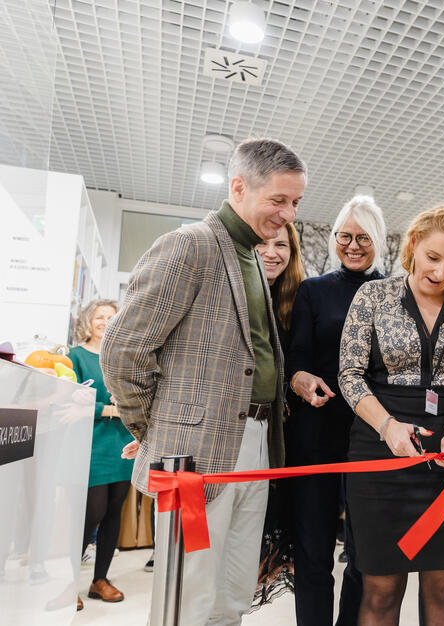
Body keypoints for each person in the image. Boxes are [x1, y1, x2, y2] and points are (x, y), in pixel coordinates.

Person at [102, 138, 304, 624]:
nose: (289, 215)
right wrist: (153, 429)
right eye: (278, 200)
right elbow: (123, 348)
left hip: (256, 443)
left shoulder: (254, 257)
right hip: (195, 455)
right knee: (187, 597)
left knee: (233, 592)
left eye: (295, 203)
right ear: (238, 186)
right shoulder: (190, 244)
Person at [338, 204, 444, 626]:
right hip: (379, 448)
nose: (441, 271)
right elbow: (349, 375)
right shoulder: (373, 296)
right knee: (382, 589)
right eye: (433, 257)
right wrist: (388, 427)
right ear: (413, 246)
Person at [287, 196, 387, 626]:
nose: (353, 245)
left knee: (365, 554)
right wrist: (301, 380)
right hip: (316, 434)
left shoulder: (394, 293)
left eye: (363, 237)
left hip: (371, 436)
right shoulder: (313, 290)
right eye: (344, 236)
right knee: (313, 551)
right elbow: (295, 361)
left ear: (378, 240)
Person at [69, 299, 134, 609]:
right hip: (91, 445)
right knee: (92, 512)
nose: (105, 321)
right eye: (100, 316)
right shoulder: (75, 356)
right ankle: (67, 584)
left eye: (112, 317)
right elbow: (67, 400)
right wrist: (108, 409)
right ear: (89, 321)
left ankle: (100, 580)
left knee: (113, 512)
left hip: (123, 444)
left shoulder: (124, 358)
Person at [253, 221, 305, 609]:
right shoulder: (233, 294)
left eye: (282, 245)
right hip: (237, 432)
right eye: (265, 243)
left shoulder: (296, 303)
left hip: (283, 441)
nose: (273, 252)